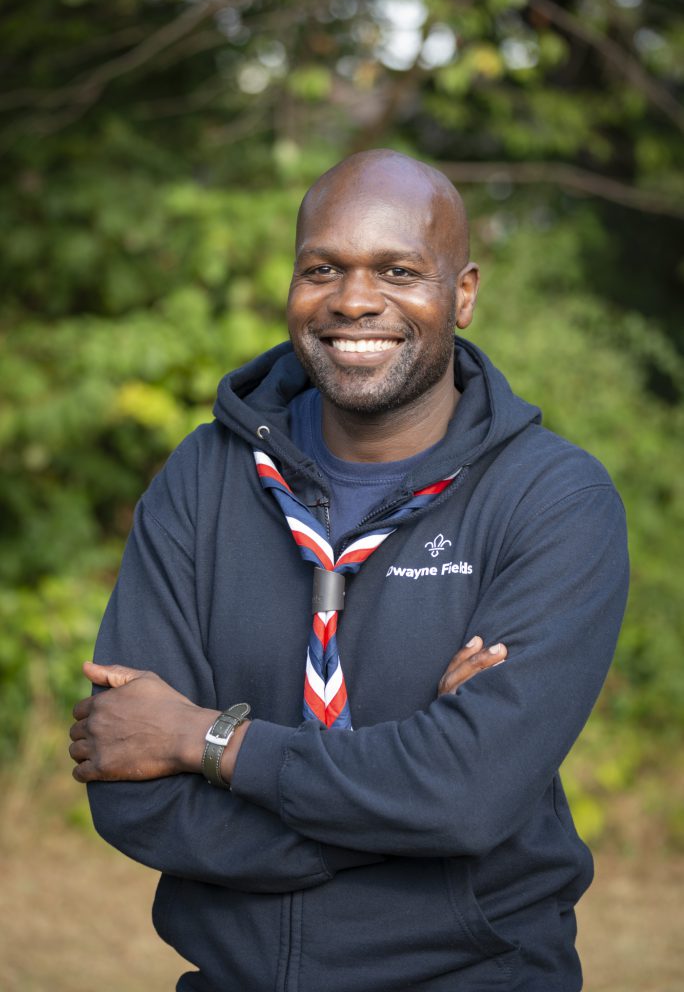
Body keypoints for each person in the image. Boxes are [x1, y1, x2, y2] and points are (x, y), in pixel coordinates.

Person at [69, 149, 629, 992]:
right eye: (321, 268)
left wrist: (202, 739)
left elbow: (469, 794)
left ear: (463, 294)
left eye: (398, 270)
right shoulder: (203, 477)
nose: (354, 300)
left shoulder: (552, 498)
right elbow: (128, 785)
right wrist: (412, 798)